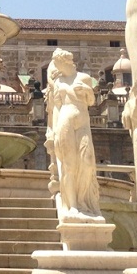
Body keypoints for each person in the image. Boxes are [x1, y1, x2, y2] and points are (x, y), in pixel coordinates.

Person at [46, 48, 103, 223]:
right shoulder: (58, 81)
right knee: (68, 165)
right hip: (64, 122)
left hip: (82, 122)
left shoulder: (84, 78)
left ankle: (85, 203)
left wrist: (86, 90)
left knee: (87, 162)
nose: (55, 67)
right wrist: (53, 132)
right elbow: (56, 107)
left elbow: (92, 101)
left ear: (65, 62)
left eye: (57, 63)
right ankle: (72, 206)